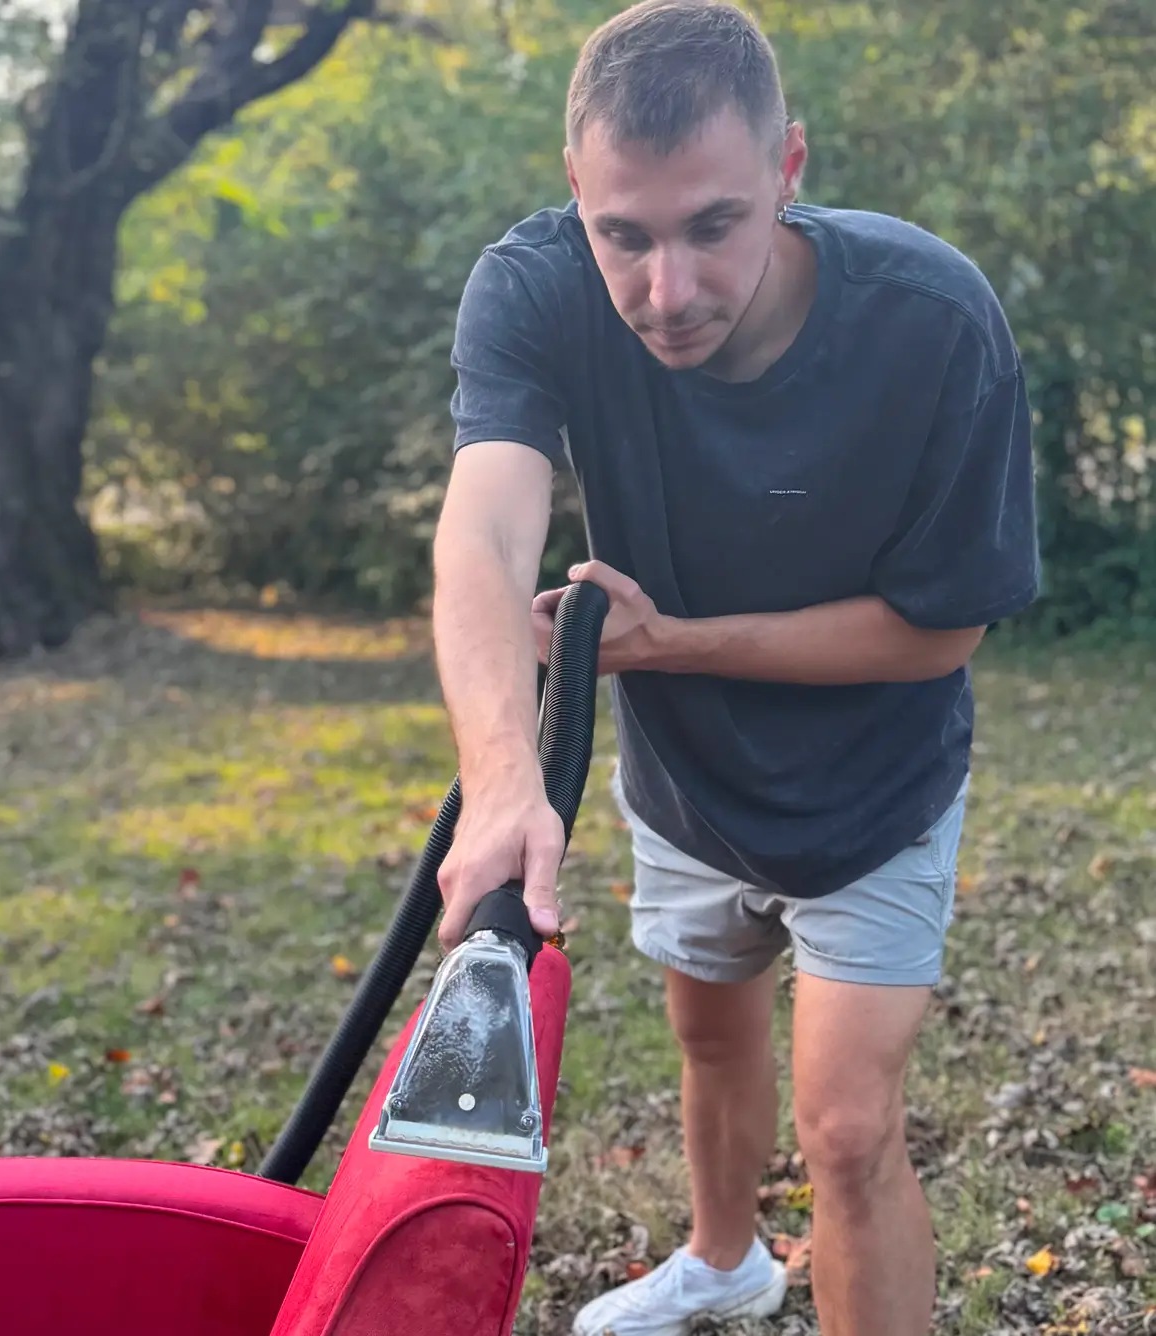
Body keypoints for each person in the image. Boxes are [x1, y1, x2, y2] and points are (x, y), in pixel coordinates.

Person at [428, 2, 1041, 1334]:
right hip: (684, 785)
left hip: (875, 791)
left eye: (713, 224)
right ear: (574, 194)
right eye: (624, 234)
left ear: (786, 172)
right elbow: (482, 525)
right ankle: (723, 1260)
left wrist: (667, 645)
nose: (668, 290)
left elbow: (939, 632)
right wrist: (496, 782)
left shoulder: (929, 321)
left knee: (845, 1130)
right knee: (710, 1038)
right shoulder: (533, 288)